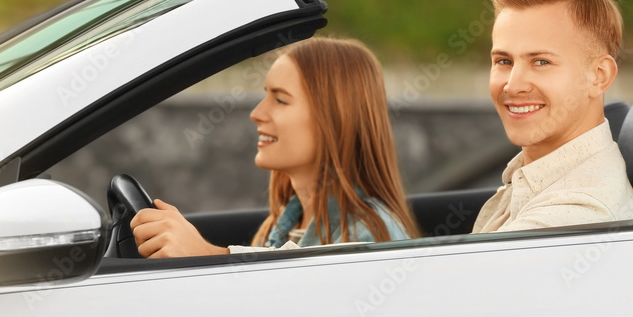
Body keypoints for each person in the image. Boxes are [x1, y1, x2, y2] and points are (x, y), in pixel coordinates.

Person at [131, 37, 421, 257]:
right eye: (265, 96)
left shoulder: (373, 236)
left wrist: (206, 255)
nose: (257, 113)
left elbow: (303, 315)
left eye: (280, 100)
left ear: (333, 119)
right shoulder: (277, 227)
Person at [472, 0, 633, 233]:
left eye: (541, 62)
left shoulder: (574, 216)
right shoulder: (532, 181)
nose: (513, 85)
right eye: (504, 60)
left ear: (599, 76)